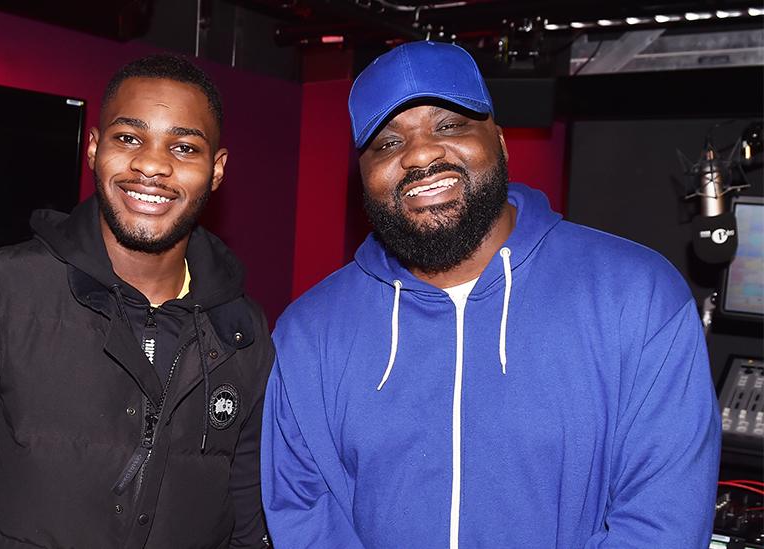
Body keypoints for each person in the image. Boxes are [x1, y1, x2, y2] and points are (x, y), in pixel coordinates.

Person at [261, 41, 721, 548]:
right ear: (364, 177)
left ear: (500, 143)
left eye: (450, 125)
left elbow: (662, 521)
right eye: (387, 143)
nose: (421, 154)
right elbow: (305, 514)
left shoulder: (637, 296)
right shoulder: (309, 332)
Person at [0, 53, 274, 549]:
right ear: (93, 148)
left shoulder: (243, 330)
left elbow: (249, 519)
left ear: (217, 170)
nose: (152, 164)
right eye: (129, 138)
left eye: (183, 147)